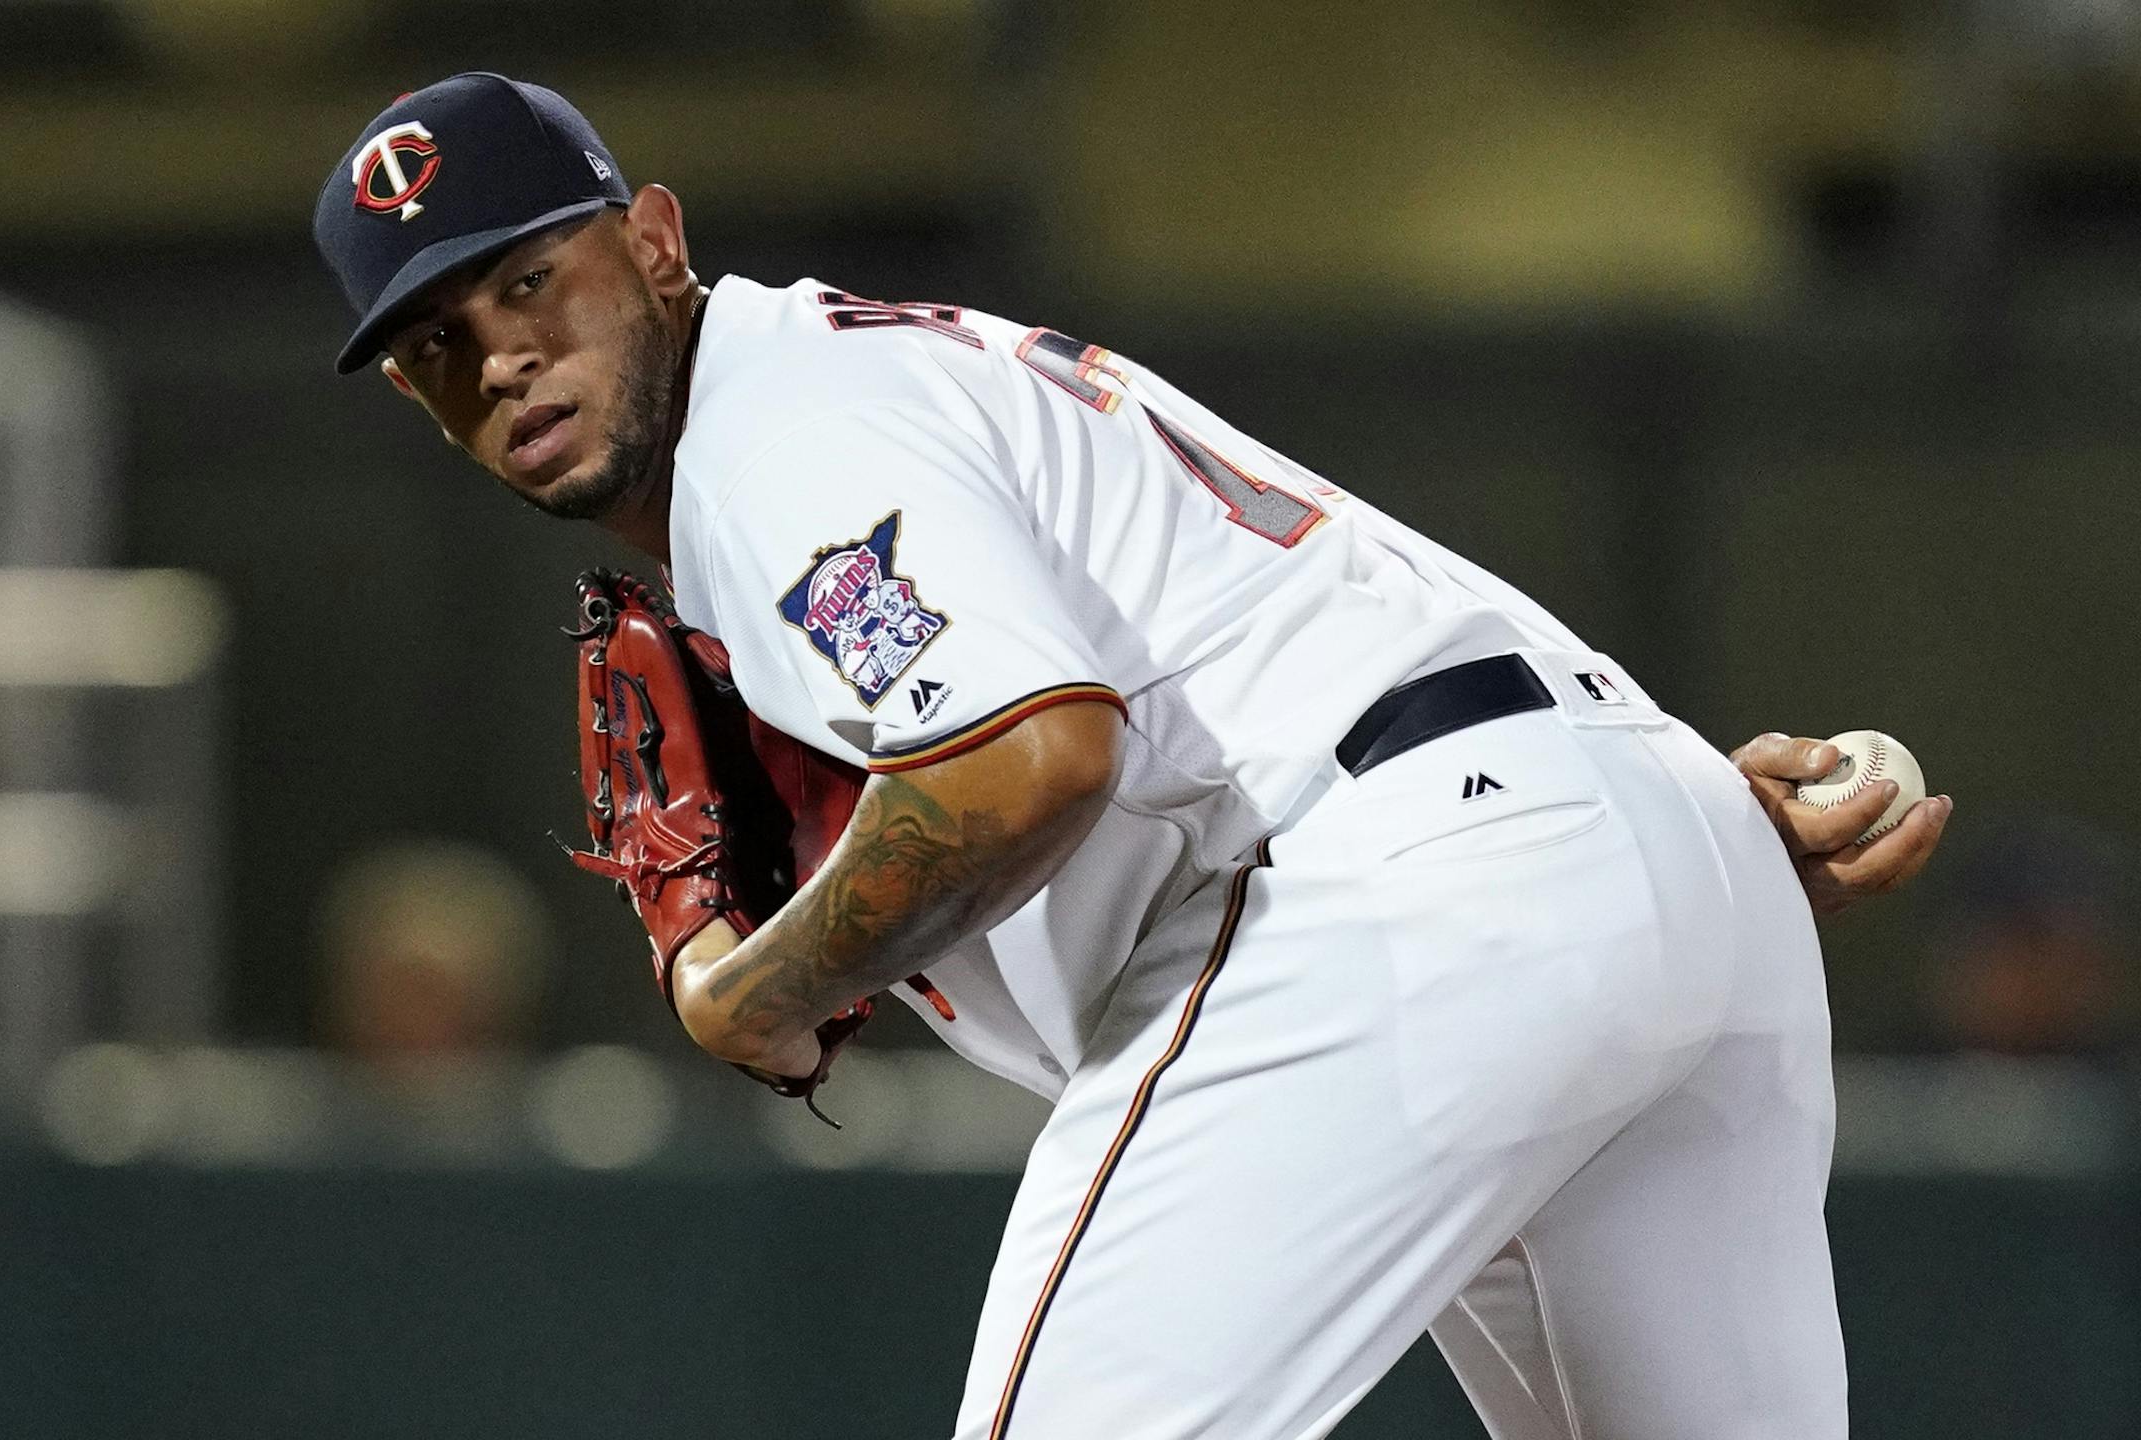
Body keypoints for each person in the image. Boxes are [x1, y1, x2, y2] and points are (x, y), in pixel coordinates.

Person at [316, 73, 1951, 1440]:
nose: (500, 355)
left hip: (1403, 901)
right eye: (436, 342)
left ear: (655, 241)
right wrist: (1636, 823)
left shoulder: (773, 428)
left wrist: (756, 989)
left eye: (528, 281)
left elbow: (1021, 768)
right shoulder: (877, 373)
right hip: (1622, 839)